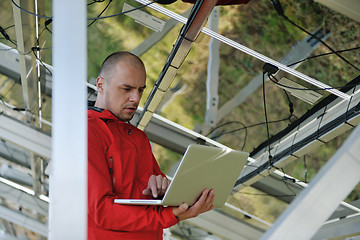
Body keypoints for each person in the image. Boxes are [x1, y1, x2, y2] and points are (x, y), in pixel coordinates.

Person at [87, 51, 215, 240]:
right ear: (101, 85)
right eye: (126, 89)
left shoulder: (138, 137)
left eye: (140, 90)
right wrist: (168, 216)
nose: (136, 99)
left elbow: (156, 193)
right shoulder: (87, 131)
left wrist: (165, 190)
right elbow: (102, 211)